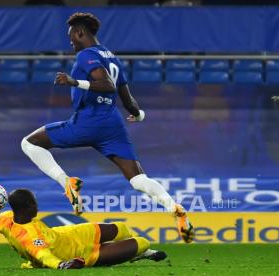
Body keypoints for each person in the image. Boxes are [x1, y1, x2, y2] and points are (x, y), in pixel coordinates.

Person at [20, 12, 194, 243]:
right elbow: (128, 99)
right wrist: (138, 114)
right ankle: (174, 207)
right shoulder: (113, 57)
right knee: (138, 178)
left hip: (88, 121)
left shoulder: (85, 56)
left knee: (29, 143)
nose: (70, 40)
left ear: (80, 32)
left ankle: (66, 182)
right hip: (113, 125)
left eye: (71, 34)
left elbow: (107, 85)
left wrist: (74, 82)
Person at [0, 186, 167, 269]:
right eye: (35, 203)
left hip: (67, 234)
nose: (38, 205)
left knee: (120, 228)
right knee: (142, 242)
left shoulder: (5, 218)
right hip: (79, 253)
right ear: (28, 207)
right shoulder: (28, 236)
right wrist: (62, 265)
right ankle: (140, 253)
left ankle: (131, 248)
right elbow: (43, 255)